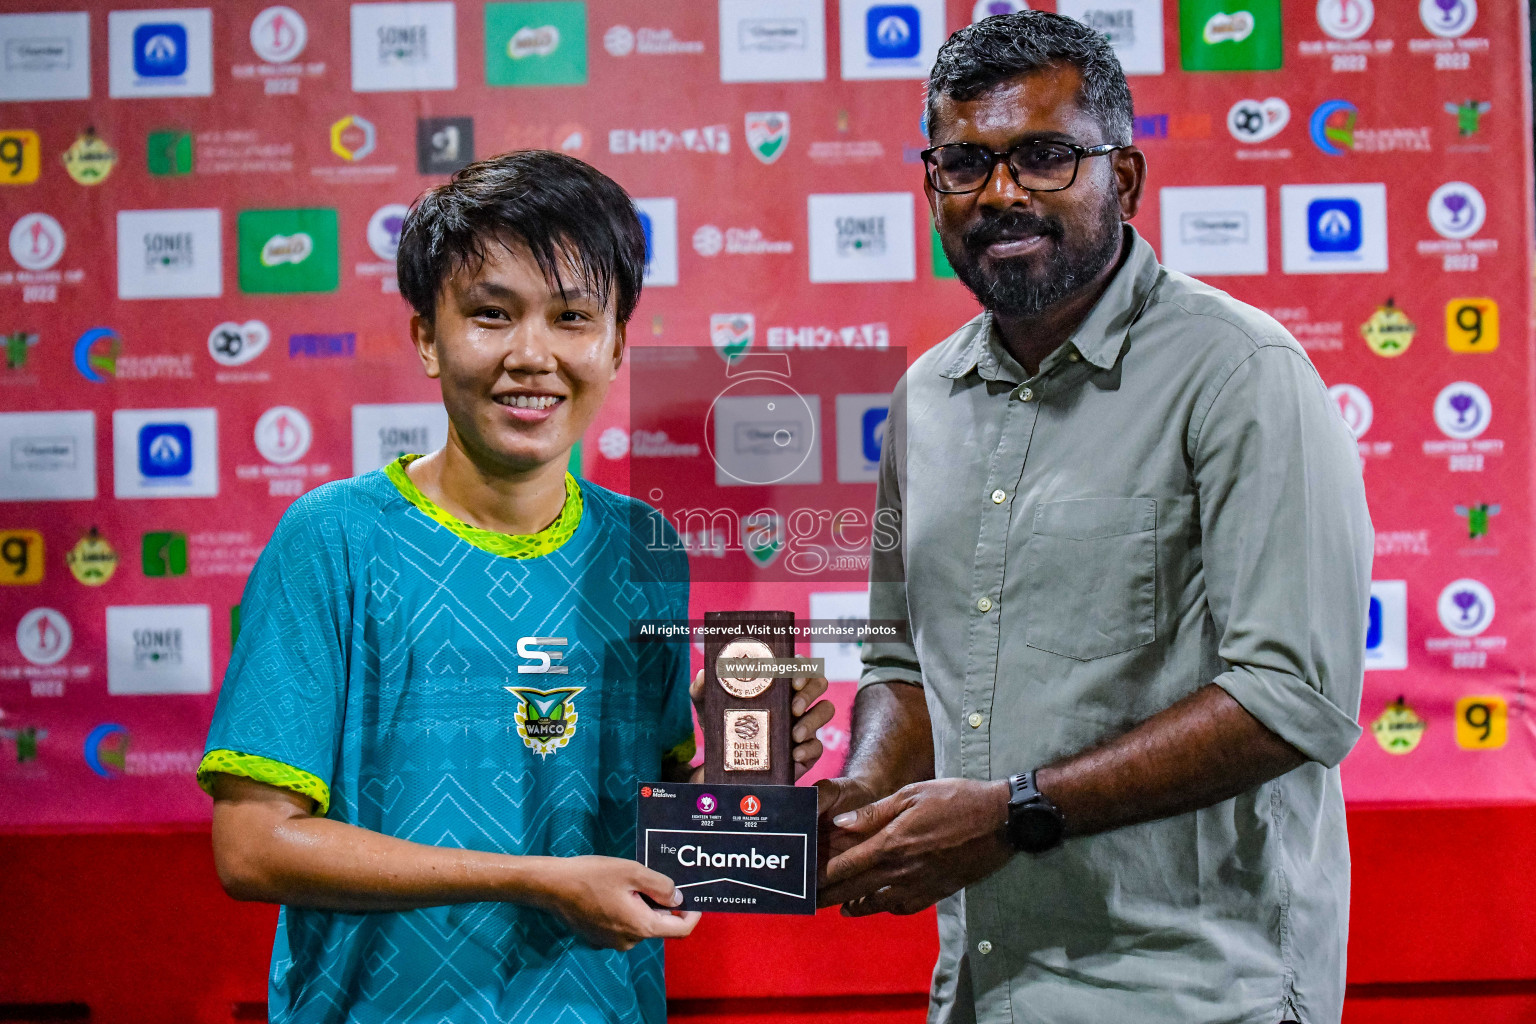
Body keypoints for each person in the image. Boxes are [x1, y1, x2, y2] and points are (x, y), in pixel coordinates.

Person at [815, 12, 1371, 1024]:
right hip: (987, 989)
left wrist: (1014, 810)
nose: (1001, 193)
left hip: (1202, 995)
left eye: (1045, 156)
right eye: (965, 164)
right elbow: (901, 666)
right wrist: (861, 800)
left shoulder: (1241, 374)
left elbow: (1294, 693)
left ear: (1128, 177)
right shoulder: (922, 401)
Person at [198, 151, 834, 1024]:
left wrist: (755, 770)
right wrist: (536, 882)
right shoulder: (333, 539)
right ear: (428, 335)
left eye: (572, 317)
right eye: (492, 315)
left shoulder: (644, 549)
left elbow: (662, 825)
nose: (532, 356)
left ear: (615, 343)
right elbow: (254, 849)